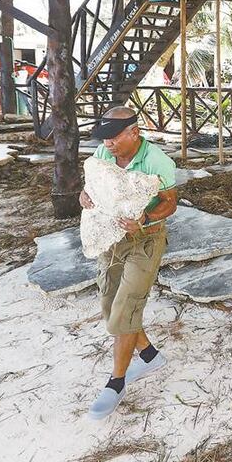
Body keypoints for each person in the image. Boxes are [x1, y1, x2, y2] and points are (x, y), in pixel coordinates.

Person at [80, 107, 178, 420]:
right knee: (110, 306)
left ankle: (116, 382)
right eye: (103, 138)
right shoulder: (103, 152)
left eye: (113, 137)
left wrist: (146, 218)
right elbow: (94, 185)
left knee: (126, 307)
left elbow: (170, 203)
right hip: (112, 237)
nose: (107, 144)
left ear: (133, 132)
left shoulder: (157, 161)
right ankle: (149, 356)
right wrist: (84, 195)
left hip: (146, 239)